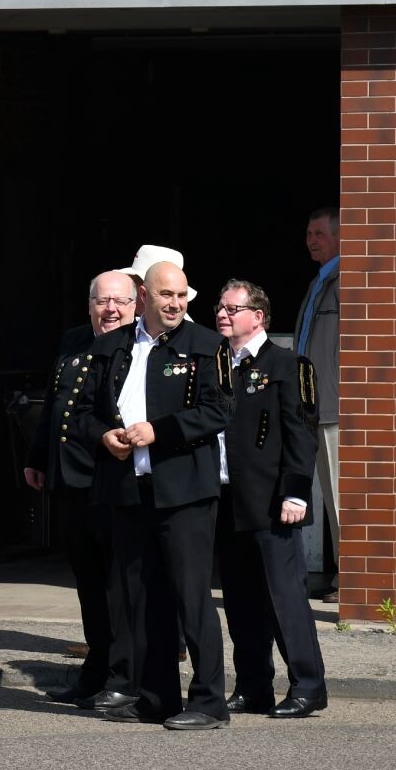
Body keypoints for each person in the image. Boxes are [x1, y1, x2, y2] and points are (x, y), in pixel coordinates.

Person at [75, 261, 234, 730]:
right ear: (143, 295)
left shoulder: (206, 345)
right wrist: (104, 436)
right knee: (141, 598)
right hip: (129, 490)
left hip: (184, 491)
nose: (176, 304)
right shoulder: (111, 347)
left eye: (183, 296)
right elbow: (82, 411)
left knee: (191, 598)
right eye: (167, 295)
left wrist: (157, 432)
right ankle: (155, 696)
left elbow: (220, 410)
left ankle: (209, 702)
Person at [214, 278, 328, 719]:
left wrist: (296, 493)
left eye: (231, 308)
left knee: (284, 598)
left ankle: (308, 685)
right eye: (220, 308)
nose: (222, 314)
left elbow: (302, 435)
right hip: (228, 497)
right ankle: (253, 685)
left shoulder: (288, 365)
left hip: (272, 500)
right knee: (241, 602)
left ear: (257, 316)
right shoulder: (218, 365)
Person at [26, 271, 137, 709]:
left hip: (110, 478)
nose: (111, 309)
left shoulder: (138, 345)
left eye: (120, 302)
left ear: (135, 305)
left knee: (116, 583)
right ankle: (96, 669)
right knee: (88, 581)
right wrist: (38, 458)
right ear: (89, 304)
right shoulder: (73, 339)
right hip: (69, 478)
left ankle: (123, 674)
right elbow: (56, 403)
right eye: (102, 300)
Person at [294, 207, 340, 603]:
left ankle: (349, 579)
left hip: (335, 408)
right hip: (313, 407)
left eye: (319, 233)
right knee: (325, 493)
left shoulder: (344, 281)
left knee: (340, 496)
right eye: (309, 233)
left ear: (340, 236)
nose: (312, 240)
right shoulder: (319, 282)